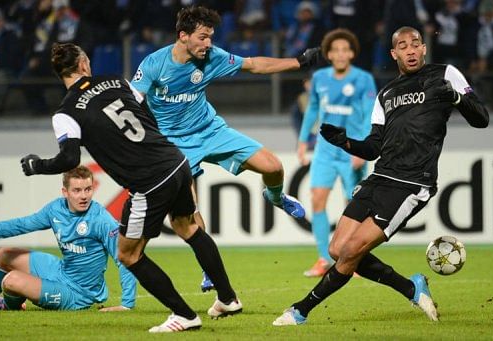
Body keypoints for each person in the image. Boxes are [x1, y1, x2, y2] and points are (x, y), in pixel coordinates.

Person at [273, 26, 489, 326]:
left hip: (413, 182)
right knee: (338, 249)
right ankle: (412, 288)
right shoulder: (387, 93)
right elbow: (374, 148)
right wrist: (345, 142)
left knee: (351, 251)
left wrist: (455, 97)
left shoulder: (445, 74)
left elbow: (482, 118)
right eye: (403, 46)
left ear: (424, 48)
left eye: (415, 44)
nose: (410, 50)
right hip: (380, 177)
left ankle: (301, 310)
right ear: (394, 53)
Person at [19, 42, 242, 333]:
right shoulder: (114, 80)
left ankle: (185, 315)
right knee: (187, 227)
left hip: (149, 180)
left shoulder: (65, 112)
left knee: (128, 255)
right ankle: (227, 298)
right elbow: (144, 109)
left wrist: (37, 166)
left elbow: (70, 158)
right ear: (85, 64)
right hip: (175, 160)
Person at [130, 5, 320, 291]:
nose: (209, 44)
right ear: (183, 36)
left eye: (211, 37)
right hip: (173, 143)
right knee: (189, 211)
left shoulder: (212, 57)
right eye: (203, 37)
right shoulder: (154, 64)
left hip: (211, 130)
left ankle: (276, 197)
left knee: (274, 167)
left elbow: (255, 64)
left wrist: (299, 61)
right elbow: (132, 100)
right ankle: (210, 270)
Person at [0, 166, 136, 311]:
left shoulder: (102, 220)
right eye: (77, 190)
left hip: (78, 293)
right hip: (61, 271)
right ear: (65, 192)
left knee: (11, 281)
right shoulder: (56, 209)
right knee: (4, 254)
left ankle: (7, 306)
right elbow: (22, 225)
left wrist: (126, 304)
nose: (84, 196)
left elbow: (124, 258)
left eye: (88, 189)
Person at [297, 28, 376, 278]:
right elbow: (312, 110)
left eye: (345, 49)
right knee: (317, 200)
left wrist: (362, 149)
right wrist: (301, 142)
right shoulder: (320, 77)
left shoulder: (363, 79)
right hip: (324, 151)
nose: (341, 54)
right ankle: (323, 258)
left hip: (351, 149)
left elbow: (369, 116)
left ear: (352, 53)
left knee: (352, 205)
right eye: (336, 50)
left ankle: (351, 260)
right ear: (329, 54)